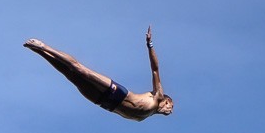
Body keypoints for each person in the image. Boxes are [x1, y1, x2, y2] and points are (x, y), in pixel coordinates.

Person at [24, 28, 174, 120]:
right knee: (81, 70)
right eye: (171, 106)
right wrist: (150, 45)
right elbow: (155, 69)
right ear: (166, 101)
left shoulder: (145, 117)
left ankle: (38, 51)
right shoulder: (157, 96)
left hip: (106, 103)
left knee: (71, 77)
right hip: (118, 93)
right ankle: (44, 46)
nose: (170, 111)